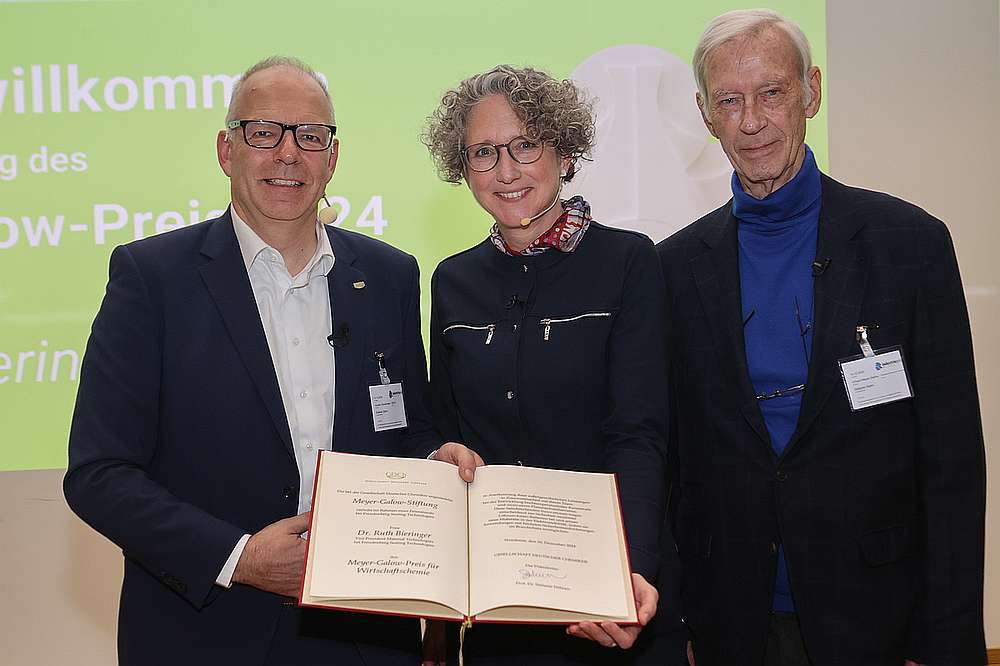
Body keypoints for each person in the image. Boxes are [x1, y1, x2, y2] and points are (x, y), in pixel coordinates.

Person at [63, 56, 439, 665]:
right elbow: (99, 474)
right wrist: (239, 558)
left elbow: (406, 428)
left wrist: (435, 459)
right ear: (226, 149)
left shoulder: (390, 275)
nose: (288, 154)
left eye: (310, 136)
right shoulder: (151, 278)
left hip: (365, 634)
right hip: (206, 633)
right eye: (264, 132)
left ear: (332, 157)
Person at [657, 10, 986, 666]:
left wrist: (944, 639)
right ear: (704, 113)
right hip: (734, 623)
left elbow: (952, 465)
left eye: (773, 92)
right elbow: (672, 468)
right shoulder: (672, 269)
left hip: (881, 621)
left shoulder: (909, 245)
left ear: (812, 91)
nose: (752, 121)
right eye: (730, 100)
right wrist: (680, 626)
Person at [421, 64, 683, 664]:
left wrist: (633, 574)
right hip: (500, 615)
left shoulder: (628, 262)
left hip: (612, 603)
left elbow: (639, 435)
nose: (506, 171)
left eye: (525, 146)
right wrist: (442, 454)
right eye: (483, 152)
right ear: (462, 168)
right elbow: (445, 429)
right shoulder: (452, 281)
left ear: (564, 154)